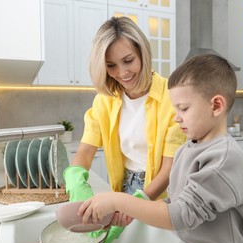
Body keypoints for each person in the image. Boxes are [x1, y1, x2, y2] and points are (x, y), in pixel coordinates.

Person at [78, 54, 243, 243]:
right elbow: (174, 202)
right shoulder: (187, 148)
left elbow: (182, 215)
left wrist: (118, 201)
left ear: (216, 106)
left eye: (183, 108)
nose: (176, 117)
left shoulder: (222, 158)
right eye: (175, 108)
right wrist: (131, 212)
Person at [63, 16, 186, 208]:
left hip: (163, 192)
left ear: (142, 53)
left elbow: (169, 168)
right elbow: (86, 150)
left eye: (128, 61)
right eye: (111, 65)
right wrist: (75, 176)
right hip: (125, 187)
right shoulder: (104, 101)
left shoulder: (171, 97)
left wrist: (138, 204)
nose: (122, 73)